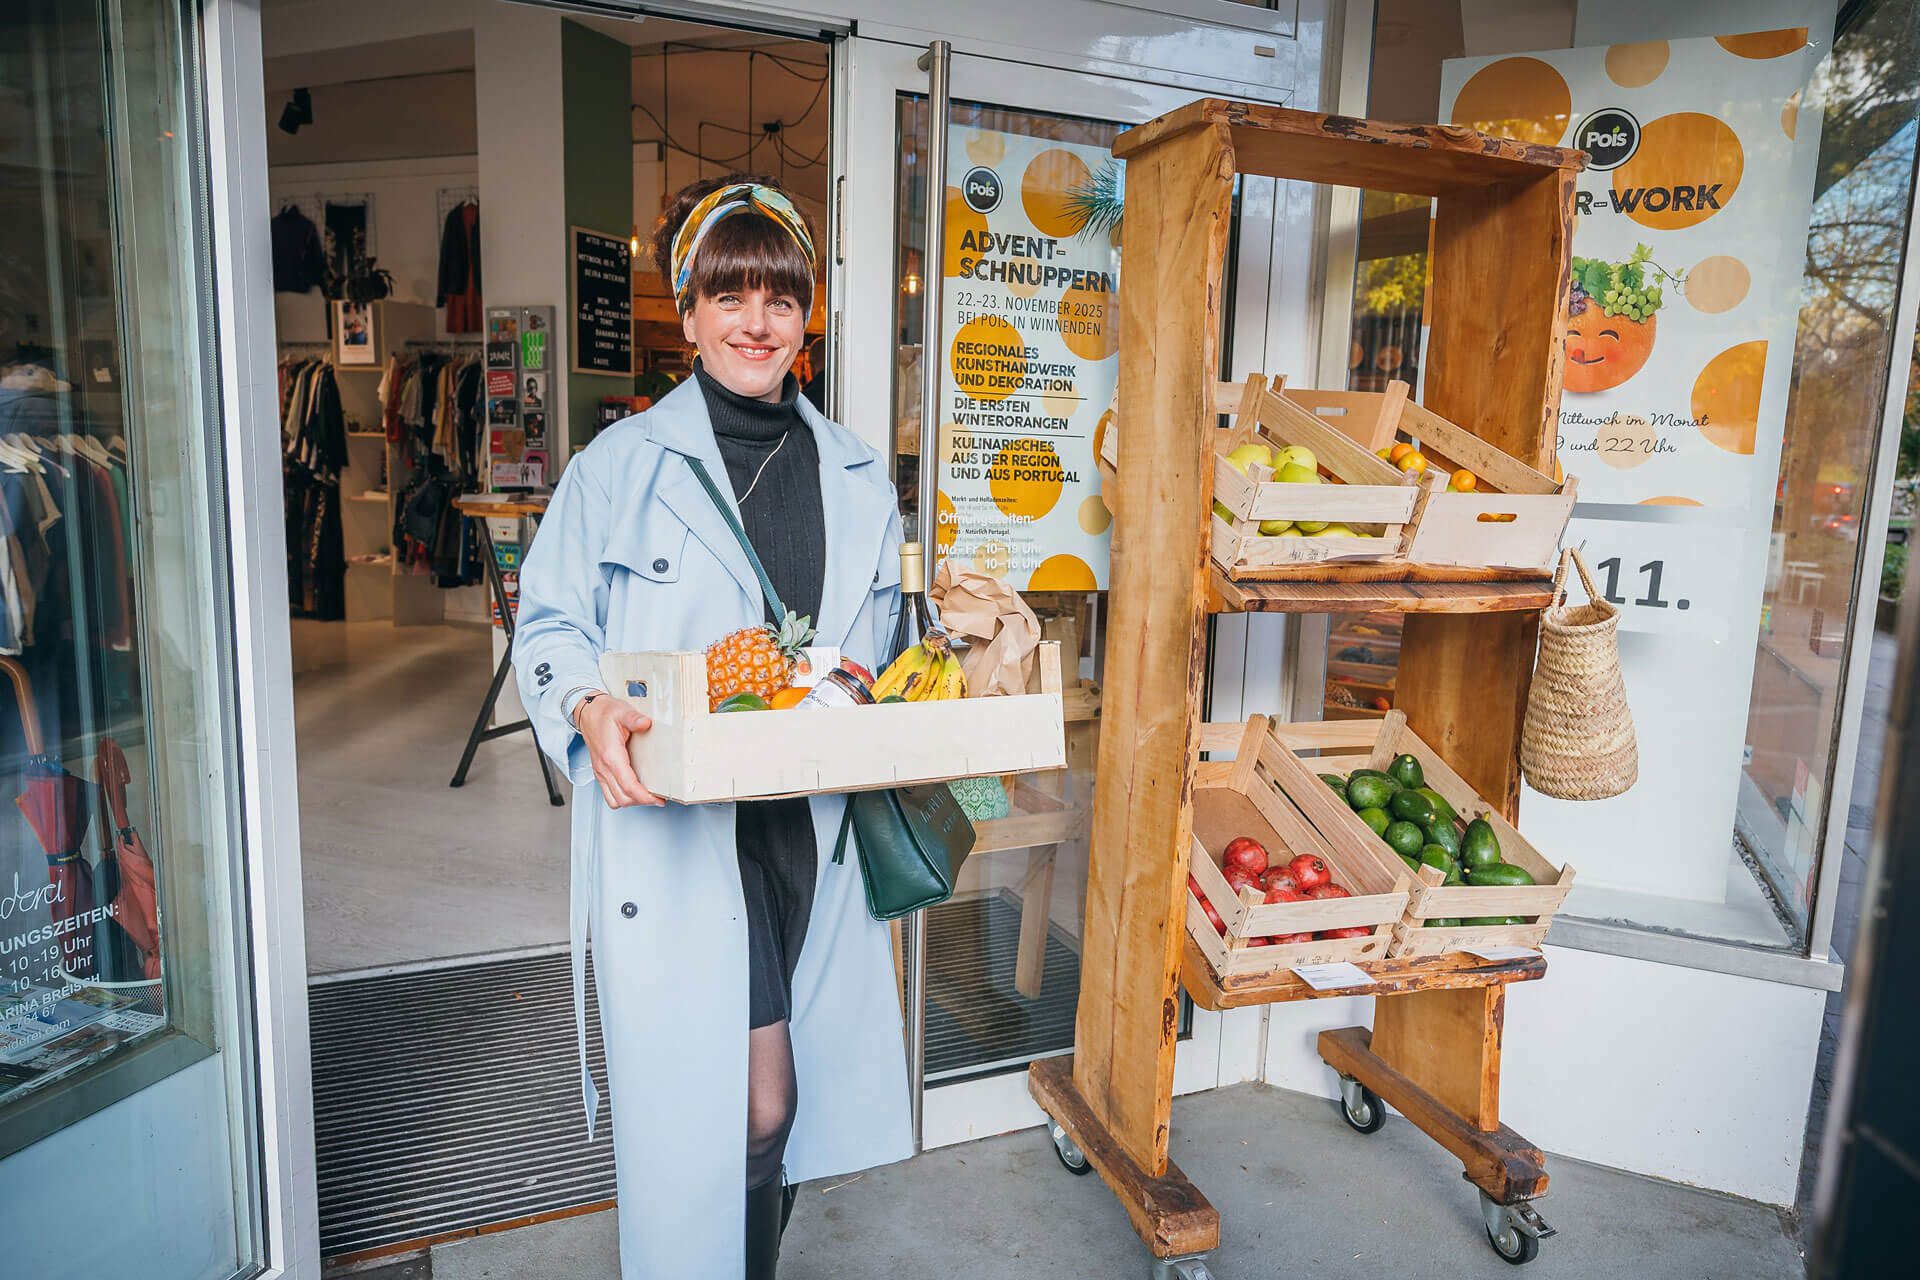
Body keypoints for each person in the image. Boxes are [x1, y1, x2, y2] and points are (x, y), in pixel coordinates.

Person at [512, 175, 911, 1278]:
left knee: (773, 1114)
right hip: (685, 835)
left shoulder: (861, 479)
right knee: (745, 1105)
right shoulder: (619, 468)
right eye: (728, 295)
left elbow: (879, 651)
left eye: (778, 298)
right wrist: (586, 707)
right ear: (687, 315)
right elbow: (546, 622)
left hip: (806, 832)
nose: (755, 321)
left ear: (806, 317)